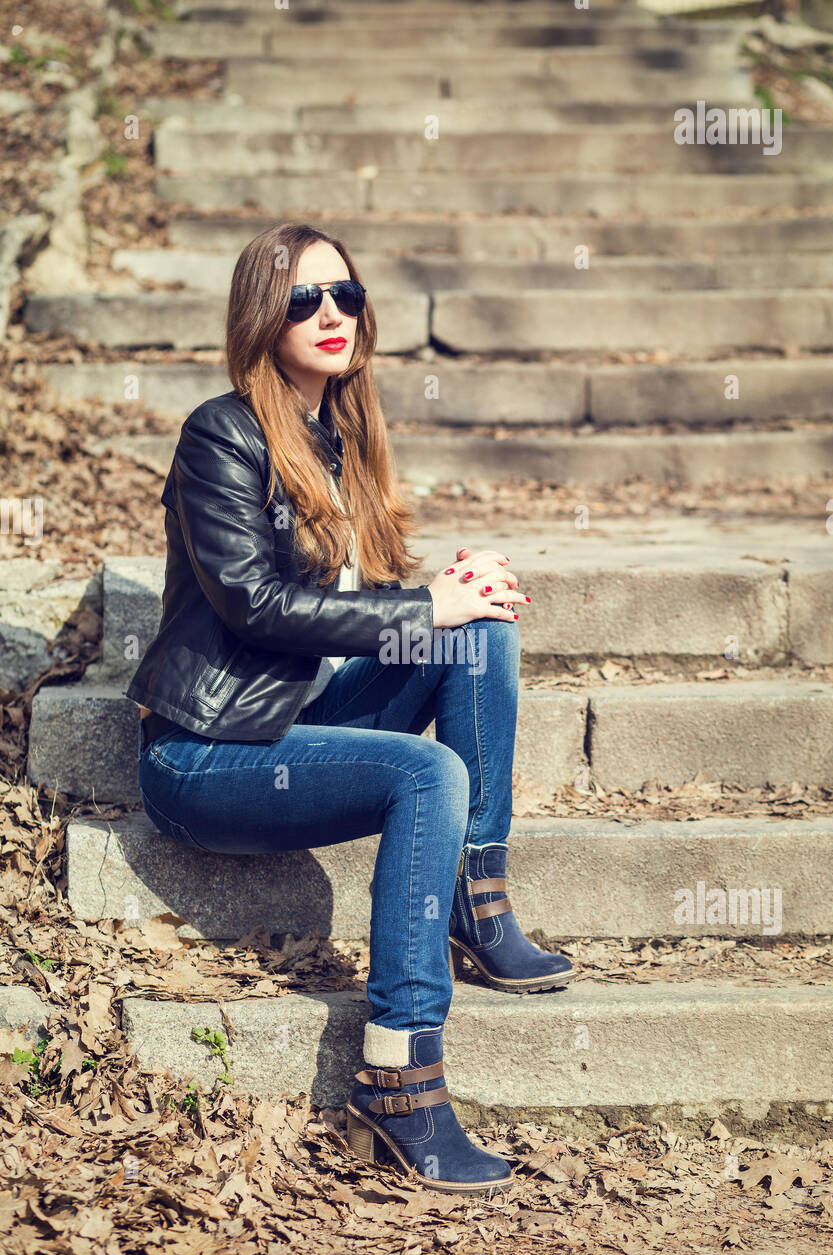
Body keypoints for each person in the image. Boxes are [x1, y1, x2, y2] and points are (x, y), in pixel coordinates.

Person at [127, 222, 575, 1194]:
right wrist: (421, 605)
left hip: (296, 715)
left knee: (480, 634)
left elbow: (352, 609)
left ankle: (472, 891)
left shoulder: (343, 432)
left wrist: (444, 596)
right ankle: (400, 1075)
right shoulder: (220, 433)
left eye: (344, 294)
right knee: (428, 768)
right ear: (262, 317)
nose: (329, 313)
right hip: (207, 750)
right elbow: (254, 603)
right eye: (301, 299)